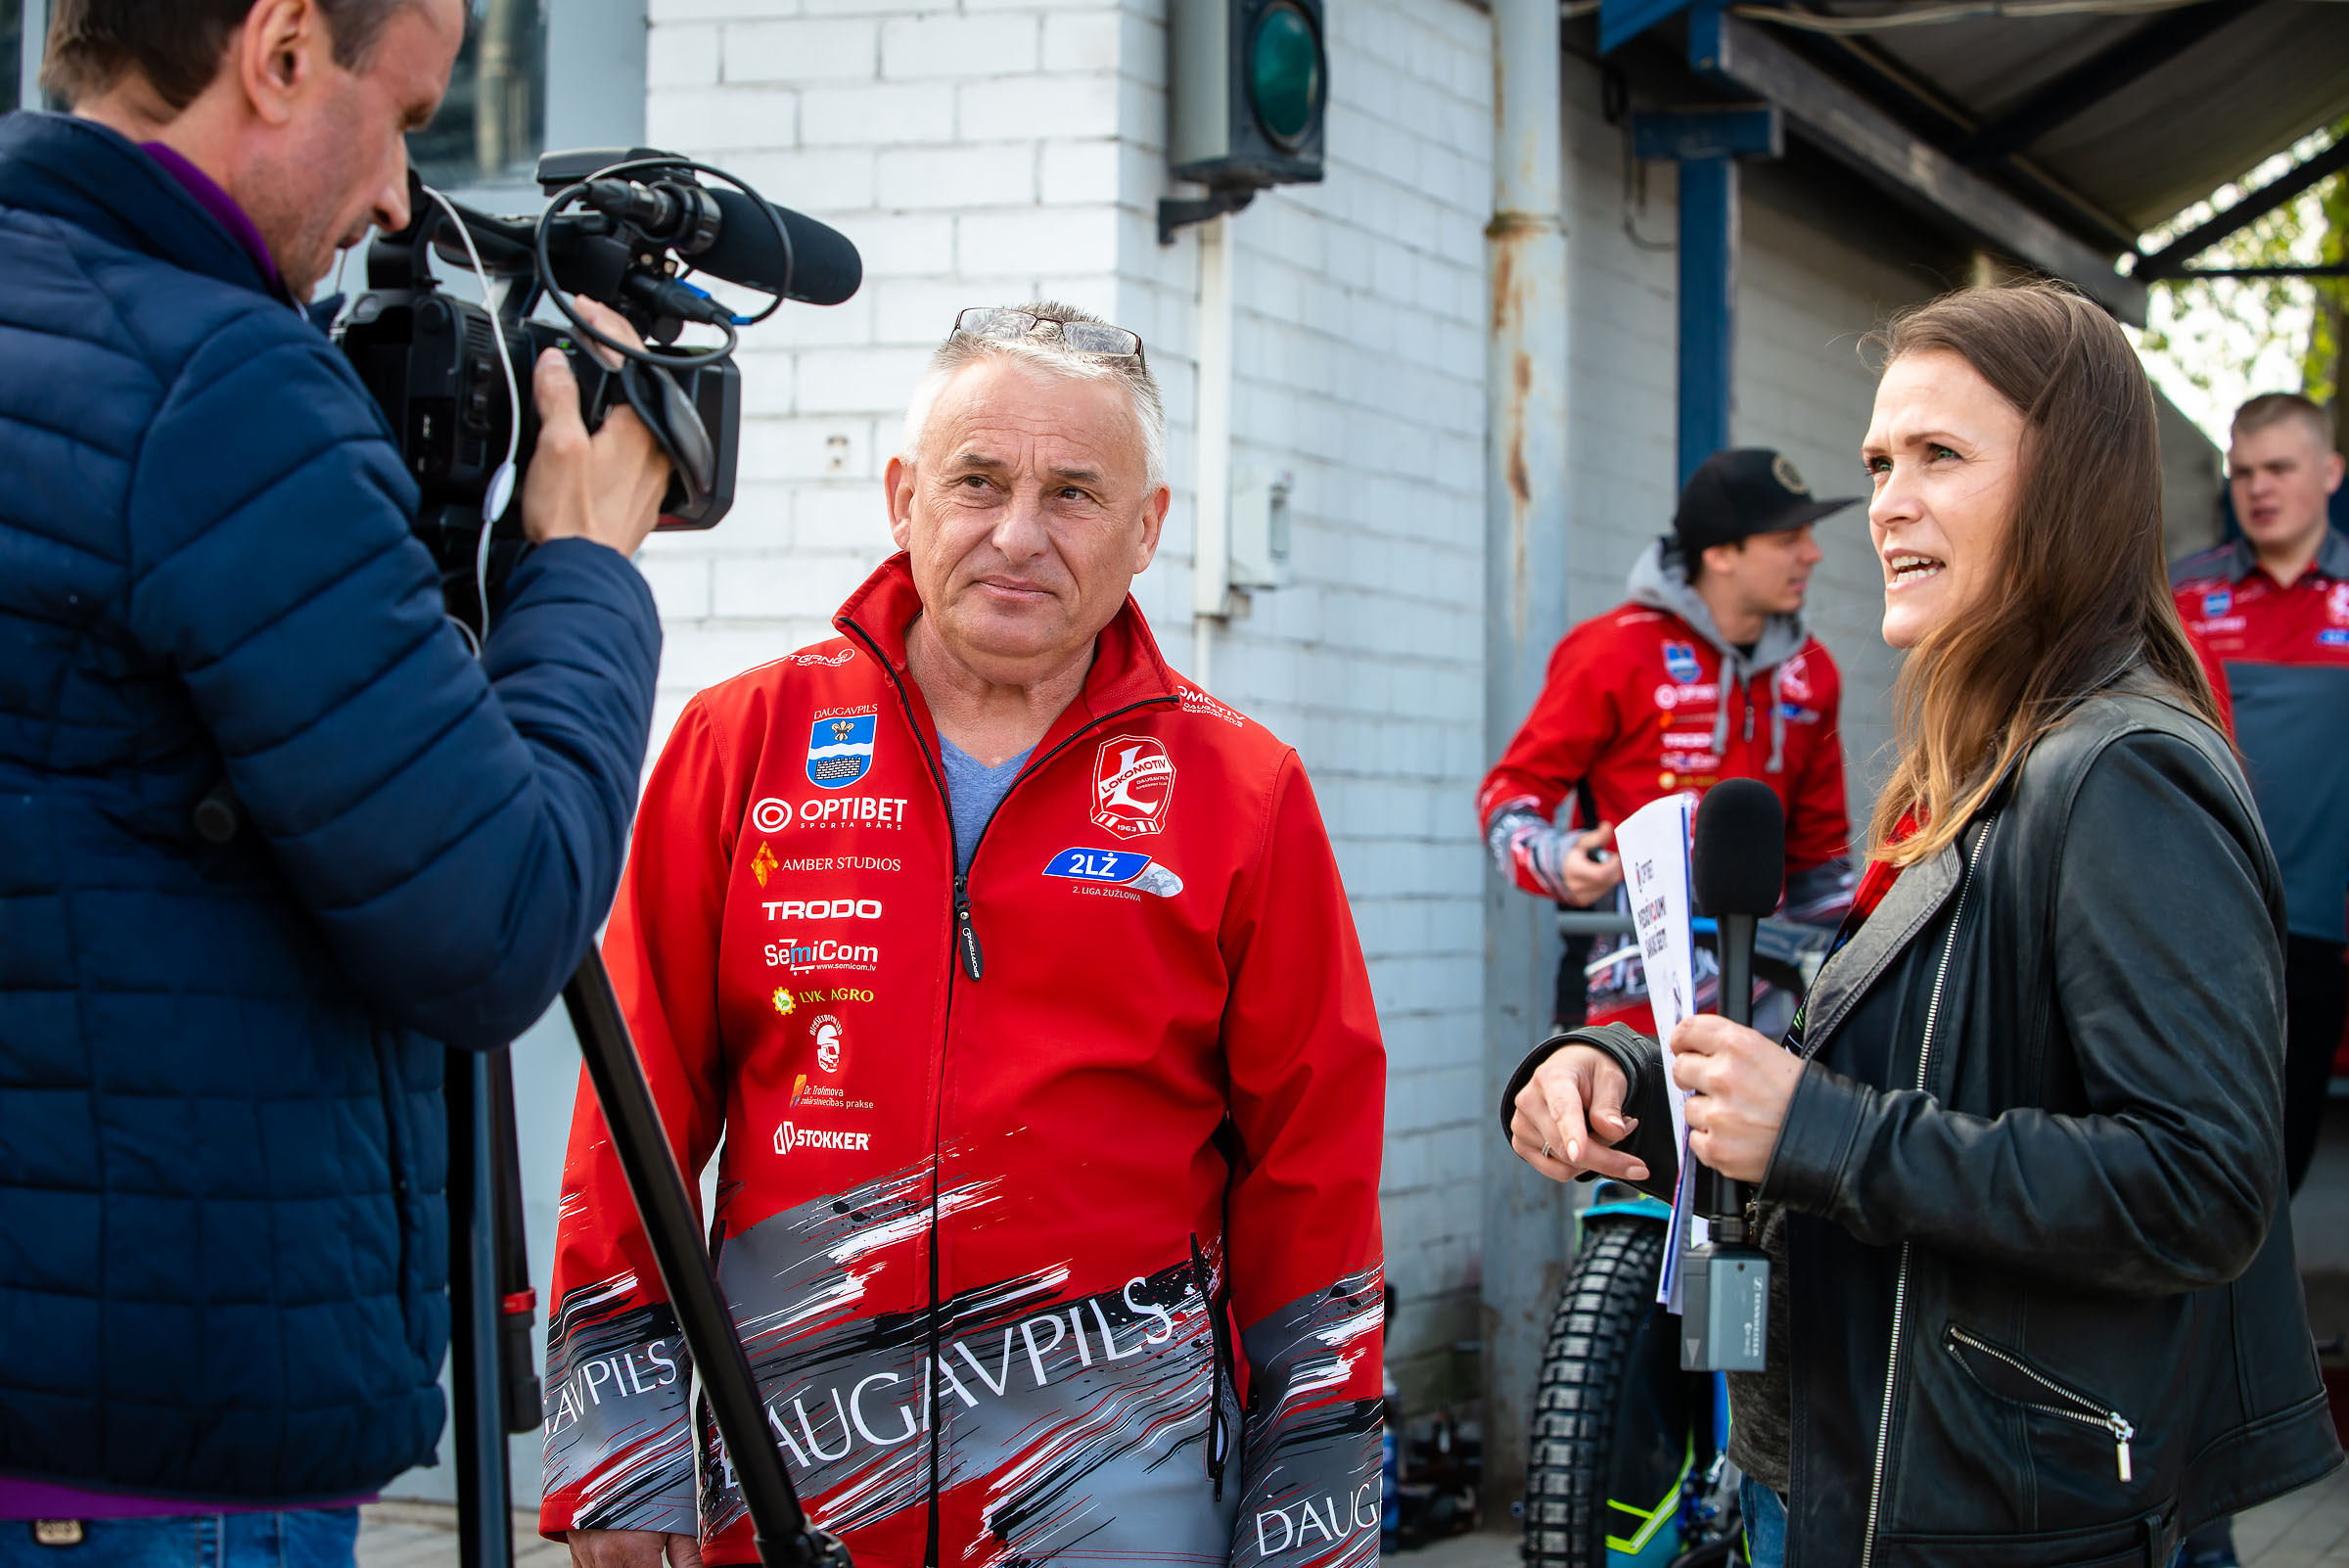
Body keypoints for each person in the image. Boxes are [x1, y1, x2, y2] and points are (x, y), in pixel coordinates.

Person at [1500, 282, 2341, 1565]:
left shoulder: (2122, 772)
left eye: (1940, 455)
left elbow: (2202, 1184)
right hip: (1862, 1473)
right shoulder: (1985, 759)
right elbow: (1902, 1066)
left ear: (2071, 486)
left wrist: (1817, 1129)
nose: (1888, 503)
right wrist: (1621, 1074)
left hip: (1998, 1513)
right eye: (1880, 462)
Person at [540, 303, 1388, 1568]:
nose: (1018, 534)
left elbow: (1314, 1177)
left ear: (1148, 528)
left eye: (1074, 494)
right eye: (978, 481)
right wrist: (618, 1459)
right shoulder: (741, 742)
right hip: (792, 1491)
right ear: (904, 497)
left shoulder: (1244, 789)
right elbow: (633, 1113)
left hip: (1120, 1505)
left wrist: (1309, 1526)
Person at [0, 0, 672, 1558]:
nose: (394, 198)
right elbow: (493, 917)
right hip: (153, 1455)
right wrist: (585, 570)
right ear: (285, 48)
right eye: (408, 117)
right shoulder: (224, 394)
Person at [1478, 448, 1856, 1035]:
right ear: (1720, 553)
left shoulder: (1813, 669)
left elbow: (1821, 859)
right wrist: (1557, 858)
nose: (1813, 553)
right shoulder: (1612, 650)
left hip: (1764, 1007)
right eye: (1788, 539)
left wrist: (1844, 989)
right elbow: (1507, 796)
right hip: (1622, 1005)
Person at [2172, 392, 2349, 1195]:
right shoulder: (2182, 595)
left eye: (2279, 468)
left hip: (2314, 932)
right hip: (2192, 926)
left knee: (2280, 1166)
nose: (2259, 488)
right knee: (2186, 1154)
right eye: (2243, 472)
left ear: (2331, 472)